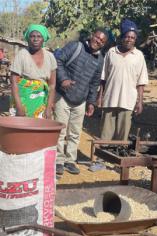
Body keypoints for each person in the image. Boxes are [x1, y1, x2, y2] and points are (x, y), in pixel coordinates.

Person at [89, 19, 148, 172]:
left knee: (122, 135)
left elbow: (141, 82)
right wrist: (100, 96)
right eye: (127, 36)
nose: (130, 39)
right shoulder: (111, 52)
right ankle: (101, 160)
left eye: (133, 37)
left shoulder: (139, 55)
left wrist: (140, 102)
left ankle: (118, 163)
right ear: (122, 37)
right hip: (110, 98)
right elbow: (103, 77)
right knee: (105, 132)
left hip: (128, 101)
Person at [54, 28, 108, 176]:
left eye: (102, 41)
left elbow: (94, 83)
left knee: (75, 133)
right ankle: (58, 161)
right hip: (63, 96)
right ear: (92, 36)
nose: (98, 41)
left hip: (81, 100)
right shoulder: (75, 46)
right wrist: (63, 79)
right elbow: (58, 60)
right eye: (97, 38)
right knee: (60, 131)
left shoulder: (100, 60)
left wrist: (91, 103)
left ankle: (70, 161)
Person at [10, 24, 56, 118]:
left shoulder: (50, 57)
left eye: (39, 36)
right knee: (20, 131)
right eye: (32, 36)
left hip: (42, 102)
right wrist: (19, 106)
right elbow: (14, 83)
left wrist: (48, 107)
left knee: (39, 131)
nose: (35, 39)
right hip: (22, 100)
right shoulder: (22, 55)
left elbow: (52, 85)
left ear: (43, 39)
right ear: (28, 39)